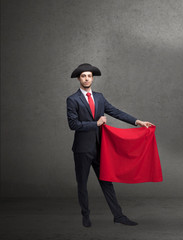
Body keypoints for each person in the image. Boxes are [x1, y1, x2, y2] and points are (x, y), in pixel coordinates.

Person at [66, 63, 154, 227]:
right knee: (82, 184)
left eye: (89, 76)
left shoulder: (99, 97)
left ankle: (118, 216)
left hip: (100, 148)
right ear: (79, 78)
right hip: (82, 150)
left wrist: (137, 121)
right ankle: (86, 216)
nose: (87, 78)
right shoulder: (72, 99)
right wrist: (96, 123)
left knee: (107, 182)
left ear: (92, 78)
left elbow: (115, 111)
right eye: (83, 76)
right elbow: (73, 124)